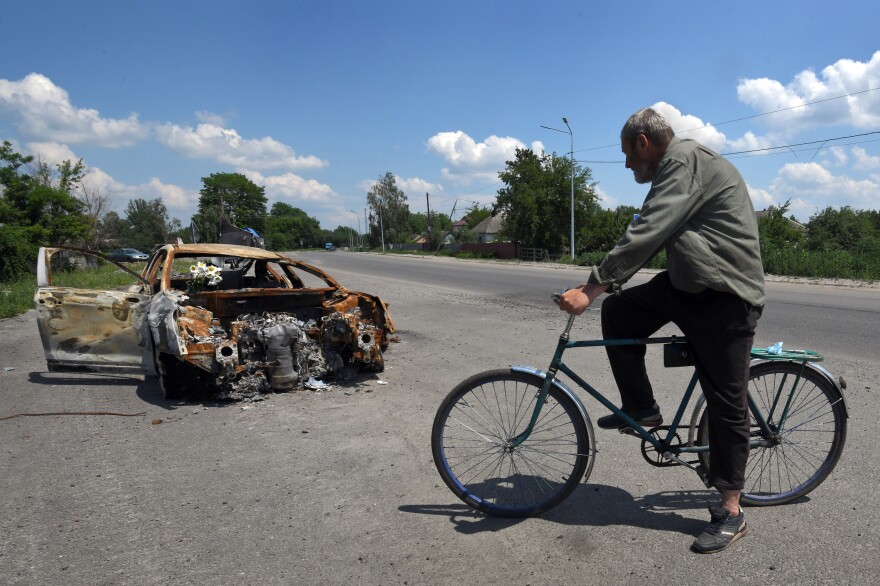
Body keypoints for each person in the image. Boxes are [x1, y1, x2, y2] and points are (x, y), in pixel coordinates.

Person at [558, 107, 765, 554]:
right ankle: (643, 407)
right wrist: (603, 287)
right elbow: (650, 231)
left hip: (725, 295)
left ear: (643, 143)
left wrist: (591, 288)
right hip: (689, 285)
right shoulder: (673, 168)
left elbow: (650, 229)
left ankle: (731, 510)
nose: (629, 165)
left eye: (627, 156)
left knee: (726, 400)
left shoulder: (683, 162)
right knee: (621, 313)